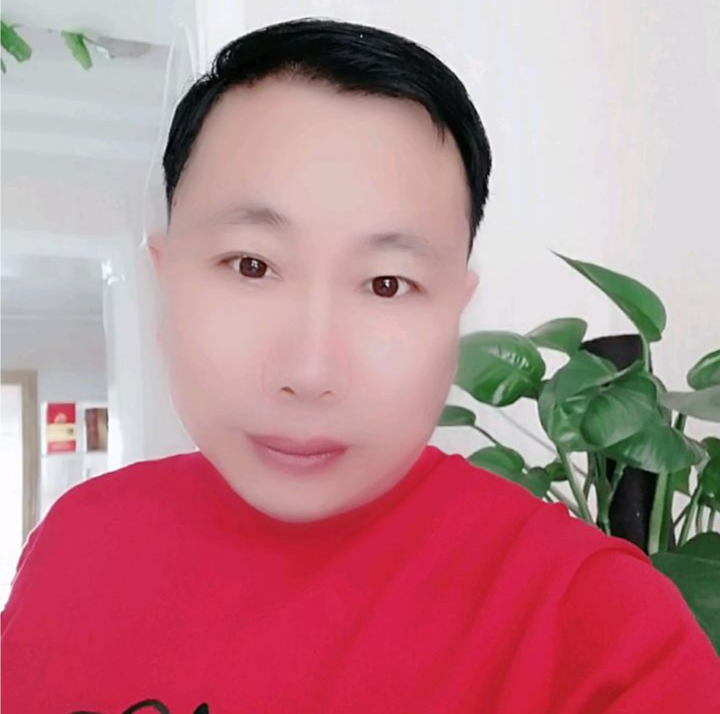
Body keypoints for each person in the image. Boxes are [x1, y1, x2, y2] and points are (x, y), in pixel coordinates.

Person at [0, 16, 718, 714]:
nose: (310, 371)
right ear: (165, 279)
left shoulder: (603, 631)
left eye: (386, 284)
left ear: (455, 310)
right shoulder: (76, 540)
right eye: (251, 266)